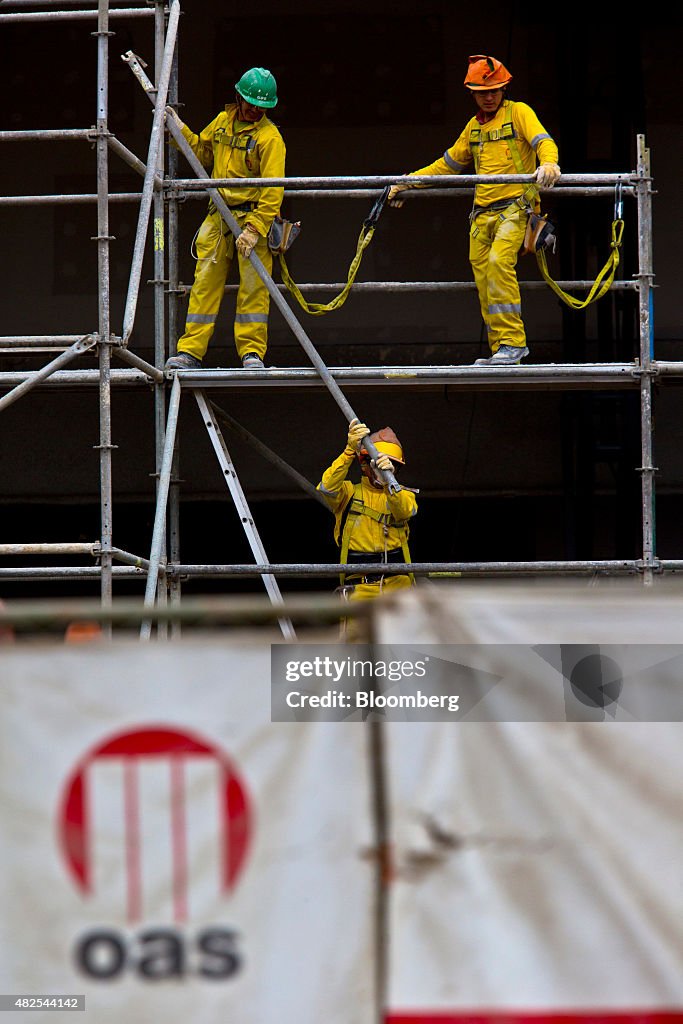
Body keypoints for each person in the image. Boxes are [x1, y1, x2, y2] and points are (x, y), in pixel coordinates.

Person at [388, 54, 560, 365]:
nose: (490, 97)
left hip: (515, 208)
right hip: (482, 215)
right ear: (473, 94)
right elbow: (446, 166)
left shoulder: (518, 114)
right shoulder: (474, 129)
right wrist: (408, 183)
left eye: (495, 90)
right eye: (483, 92)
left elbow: (542, 141)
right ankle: (501, 349)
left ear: (504, 89)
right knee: (483, 274)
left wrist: (549, 164)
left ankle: (513, 343)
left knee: (497, 263)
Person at [165, 68, 286, 372]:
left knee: (254, 289)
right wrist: (180, 132)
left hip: (253, 219)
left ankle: (252, 354)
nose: (254, 110)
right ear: (239, 97)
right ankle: (190, 352)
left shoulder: (270, 139)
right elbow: (203, 153)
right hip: (219, 217)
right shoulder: (222, 123)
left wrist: (255, 228)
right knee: (204, 284)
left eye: (261, 106)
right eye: (250, 103)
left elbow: (273, 191)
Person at [317, 419, 417, 609]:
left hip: (399, 587)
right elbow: (327, 488)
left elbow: (404, 511)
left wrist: (388, 482)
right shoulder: (349, 492)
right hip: (360, 588)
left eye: (392, 464)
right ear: (365, 464)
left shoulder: (403, 494)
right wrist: (348, 452)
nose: (384, 468)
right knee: (359, 637)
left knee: (404, 637)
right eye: (377, 464)